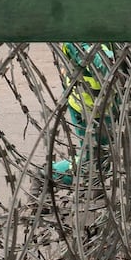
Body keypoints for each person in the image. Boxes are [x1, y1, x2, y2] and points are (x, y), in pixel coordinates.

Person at [51, 42, 115, 187]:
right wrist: (115, 62)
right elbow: (97, 60)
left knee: (102, 161)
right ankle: (48, 175)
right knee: (93, 161)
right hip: (85, 108)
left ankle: (93, 190)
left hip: (103, 105)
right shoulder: (76, 36)